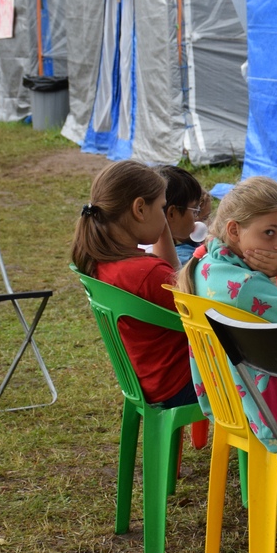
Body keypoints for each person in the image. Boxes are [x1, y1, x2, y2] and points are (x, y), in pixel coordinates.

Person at [177, 176, 277, 450]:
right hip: (273, 413)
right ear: (234, 230)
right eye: (270, 232)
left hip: (231, 400)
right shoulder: (245, 286)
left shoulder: (204, 262)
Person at [70, 160, 194, 408]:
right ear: (139, 209)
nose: (164, 217)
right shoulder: (147, 273)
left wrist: (159, 226)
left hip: (146, 380)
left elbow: (171, 274)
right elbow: (199, 309)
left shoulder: (100, 262)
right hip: (179, 384)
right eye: (161, 208)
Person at [157, 165, 210, 265]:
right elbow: (173, 276)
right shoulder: (160, 257)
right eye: (195, 210)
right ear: (172, 214)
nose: (196, 218)